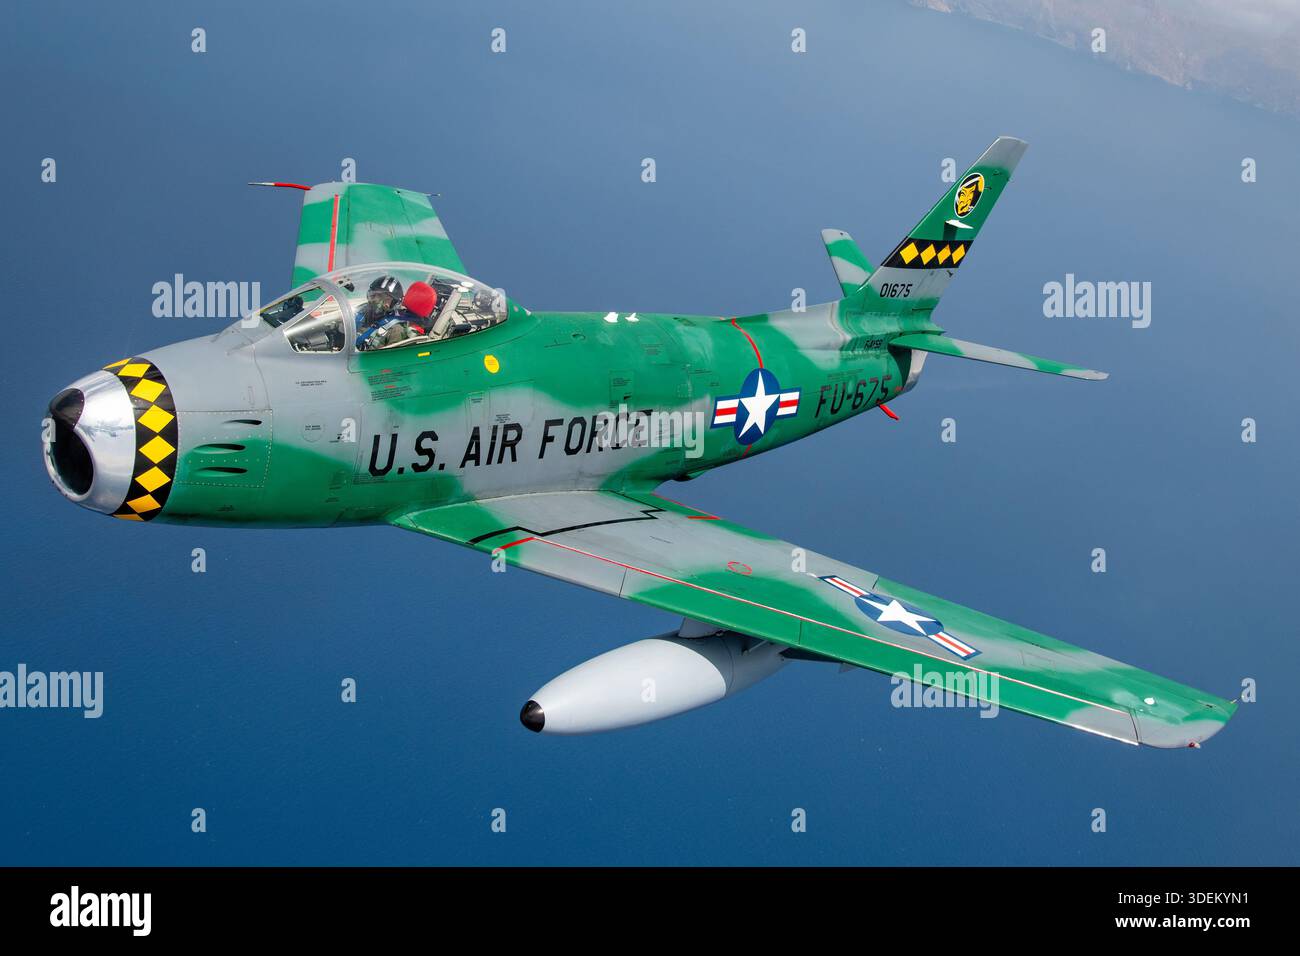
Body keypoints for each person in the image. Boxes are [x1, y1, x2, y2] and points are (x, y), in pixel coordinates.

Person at [355, 275, 404, 350]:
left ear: (395, 303)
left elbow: (392, 359)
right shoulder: (361, 314)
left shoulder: (395, 330)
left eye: (385, 299)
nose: (376, 301)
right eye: (373, 296)